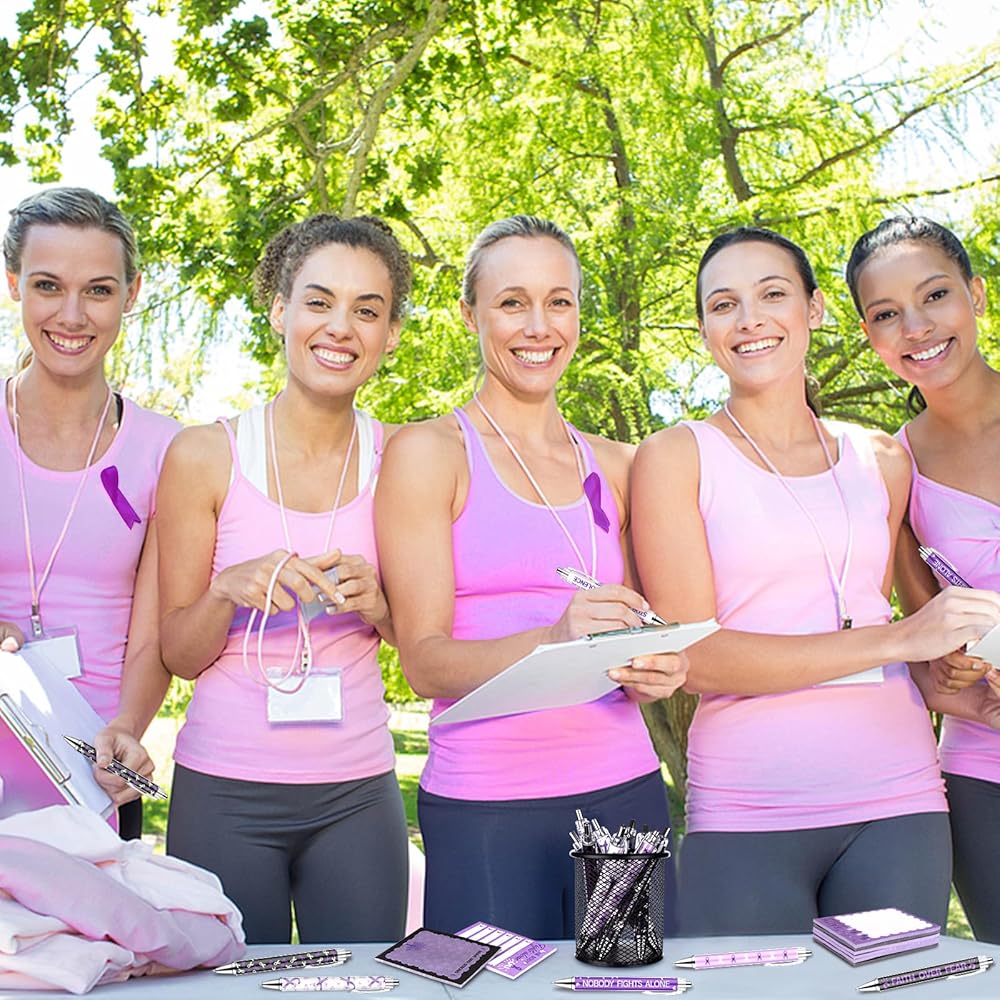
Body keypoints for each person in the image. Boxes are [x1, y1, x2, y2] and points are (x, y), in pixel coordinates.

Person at [630, 226, 1000, 936]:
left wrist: (969, 690)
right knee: (750, 987)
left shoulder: (883, 459)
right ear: (704, 331)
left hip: (902, 802)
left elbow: (913, 648)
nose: (749, 319)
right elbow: (695, 657)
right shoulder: (674, 457)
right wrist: (899, 641)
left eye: (772, 294)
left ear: (815, 309)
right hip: (747, 805)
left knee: (892, 985)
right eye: (724, 304)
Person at [375, 215, 688, 940]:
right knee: (497, 987)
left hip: (622, 798)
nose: (539, 326)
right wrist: (552, 638)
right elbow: (423, 663)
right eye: (512, 302)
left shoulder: (620, 464)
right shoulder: (429, 453)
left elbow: (646, 632)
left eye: (559, 301)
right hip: (486, 804)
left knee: (623, 984)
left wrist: (658, 666)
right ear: (470, 314)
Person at [157, 213, 411, 944]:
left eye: (367, 311)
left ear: (391, 333)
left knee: (365, 986)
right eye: (318, 301)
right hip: (223, 792)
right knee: (231, 988)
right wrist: (225, 590)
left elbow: (424, 644)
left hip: (358, 795)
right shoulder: (203, 456)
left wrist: (380, 605)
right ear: (279, 310)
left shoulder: (404, 459)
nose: (340, 328)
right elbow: (178, 653)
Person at [0, 187, 179, 837]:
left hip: (99, 769)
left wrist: (127, 728)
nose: (72, 315)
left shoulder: (167, 449)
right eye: (48, 286)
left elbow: (155, 632)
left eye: (98, 290)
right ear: (14, 284)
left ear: (131, 294)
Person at [846, 216, 1000, 944]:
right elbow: (928, 649)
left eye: (935, 295)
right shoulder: (893, 468)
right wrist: (958, 671)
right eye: (886, 314)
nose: (916, 327)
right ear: (870, 336)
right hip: (983, 771)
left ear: (976, 294)